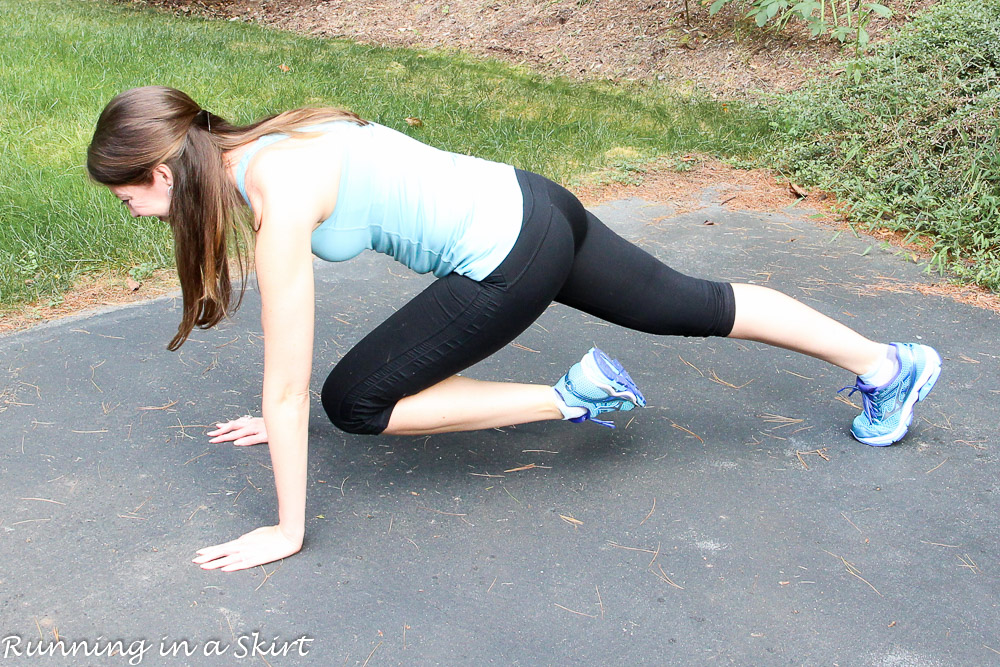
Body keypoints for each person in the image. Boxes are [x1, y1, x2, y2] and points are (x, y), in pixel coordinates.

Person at [87, 86, 941, 573]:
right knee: (693, 301)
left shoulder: (275, 201)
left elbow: (288, 379)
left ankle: (573, 395)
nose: (134, 213)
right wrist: (276, 417)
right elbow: (281, 380)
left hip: (509, 253)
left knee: (355, 400)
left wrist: (286, 526)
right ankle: (888, 363)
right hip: (536, 203)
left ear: (163, 170)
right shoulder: (277, 136)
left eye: (130, 198)